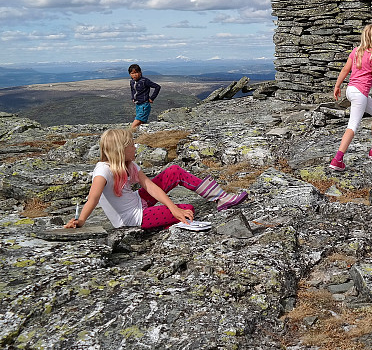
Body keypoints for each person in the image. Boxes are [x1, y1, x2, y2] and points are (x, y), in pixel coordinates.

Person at [63, 128, 248, 230]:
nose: (135, 147)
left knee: (174, 171)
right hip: (133, 218)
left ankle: (220, 197)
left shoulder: (129, 165)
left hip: (139, 201)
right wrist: (81, 221)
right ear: (121, 150)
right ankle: (165, 225)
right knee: (188, 210)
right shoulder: (102, 171)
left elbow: (150, 187)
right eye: (131, 145)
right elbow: (93, 198)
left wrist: (172, 207)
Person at [329, 24, 372, 171]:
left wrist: (337, 85)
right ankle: (337, 160)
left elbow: (346, 69)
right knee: (352, 126)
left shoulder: (356, 51)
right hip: (360, 94)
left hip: (351, 90)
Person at [128, 64, 161, 130]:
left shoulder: (144, 81)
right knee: (140, 123)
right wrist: (133, 98)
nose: (134, 75)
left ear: (140, 72)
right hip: (137, 105)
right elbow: (132, 90)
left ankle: (129, 135)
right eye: (132, 73)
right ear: (130, 74)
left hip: (144, 105)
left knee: (135, 123)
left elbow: (157, 87)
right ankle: (140, 137)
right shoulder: (132, 82)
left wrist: (152, 98)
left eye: (136, 72)